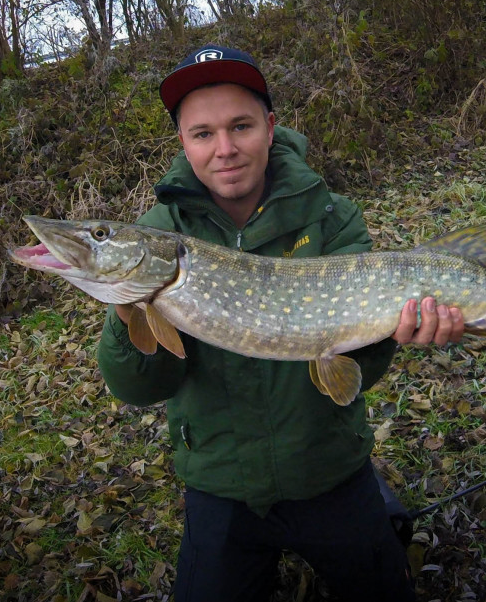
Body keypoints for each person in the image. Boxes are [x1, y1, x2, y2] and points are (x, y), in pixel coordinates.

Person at [96, 45, 464, 601]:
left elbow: (356, 364)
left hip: (328, 467)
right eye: (202, 134)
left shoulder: (332, 217)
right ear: (183, 143)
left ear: (270, 127)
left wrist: (396, 332)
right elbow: (135, 387)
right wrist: (132, 319)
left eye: (240, 125)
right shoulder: (156, 236)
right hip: (220, 482)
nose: (225, 149)